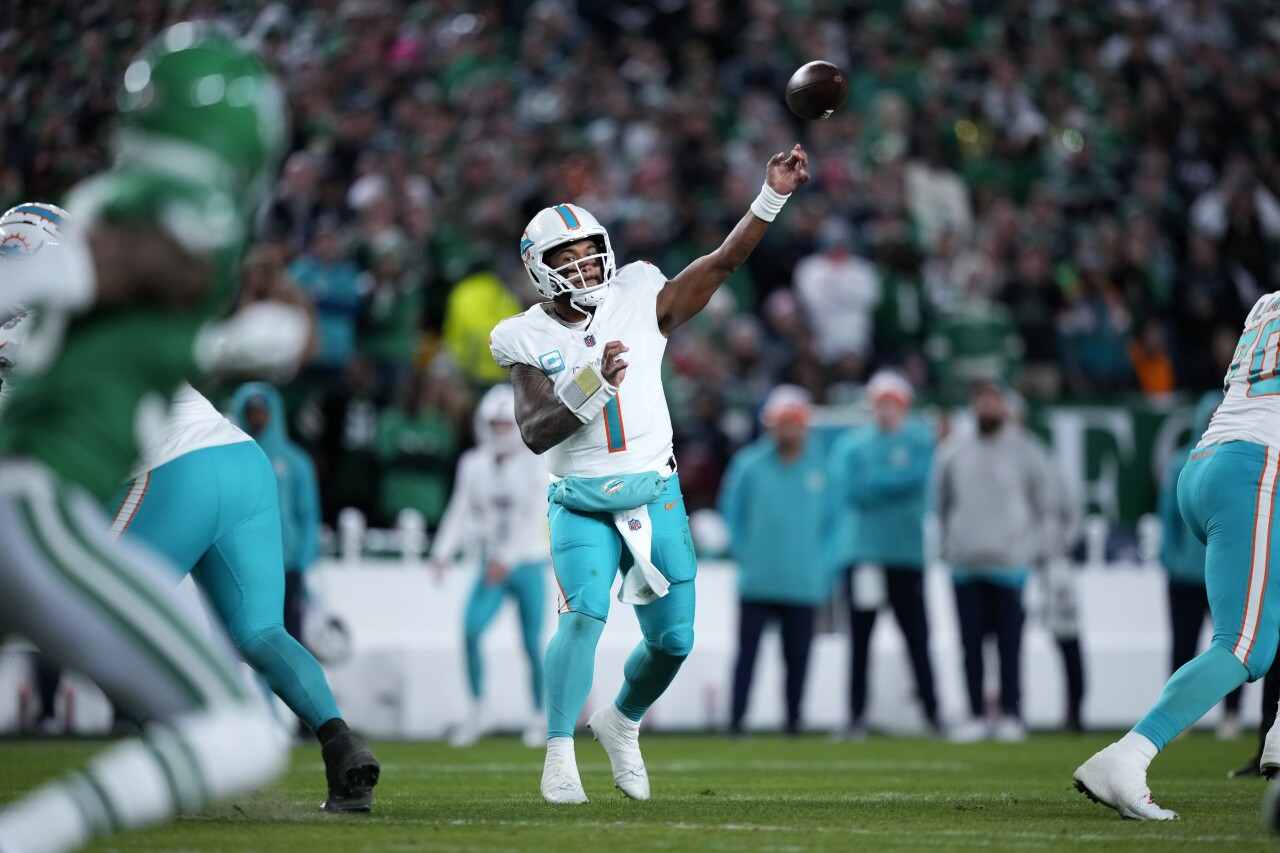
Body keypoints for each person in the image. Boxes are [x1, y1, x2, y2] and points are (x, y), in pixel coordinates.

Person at [0, 26, 304, 852]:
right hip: (32, 508)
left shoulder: (111, 204)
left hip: (30, 498)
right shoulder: (176, 209)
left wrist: (218, 346)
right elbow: (101, 266)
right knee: (240, 732)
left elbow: (112, 315)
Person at [489, 144, 810, 803]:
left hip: (653, 490)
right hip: (580, 499)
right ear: (540, 269)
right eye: (567, 257)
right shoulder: (523, 335)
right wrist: (592, 384)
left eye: (589, 252)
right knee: (583, 616)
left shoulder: (637, 294)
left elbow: (721, 263)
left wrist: (771, 195)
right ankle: (559, 753)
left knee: (674, 640)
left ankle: (621, 720)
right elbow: (534, 430)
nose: (584, 265)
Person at [1074, 289, 1280, 820]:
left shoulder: (1267, 302)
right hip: (1256, 468)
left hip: (1212, 459)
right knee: (1244, 646)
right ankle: (1128, 756)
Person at [934, 379, 1058, 743]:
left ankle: (1011, 714)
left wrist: (1034, 548)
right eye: (981, 401)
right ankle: (975, 714)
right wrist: (951, 544)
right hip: (966, 566)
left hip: (1010, 566)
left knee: (1009, 647)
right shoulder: (953, 451)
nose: (987, 407)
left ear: (1004, 405)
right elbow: (941, 503)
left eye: (993, 401)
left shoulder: (1026, 450)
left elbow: (1046, 503)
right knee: (970, 647)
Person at [429, 384, 551, 749]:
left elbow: (535, 517)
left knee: (531, 643)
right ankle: (479, 710)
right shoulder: (473, 464)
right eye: (493, 424)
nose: (499, 431)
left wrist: (506, 558)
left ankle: (539, 715)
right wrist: (442, 551)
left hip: (528, 563)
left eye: (504, 424)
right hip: (491, 563)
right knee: (471, 630)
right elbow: (459, 509)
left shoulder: (536, 462)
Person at [718, 384, 840, 737]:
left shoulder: (823, 468)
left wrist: (824, 566)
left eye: (794, 421)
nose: (789, 429)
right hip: (757, 579)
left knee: (799, 657)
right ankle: (736, 721)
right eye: (782, 421)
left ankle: (794, 722)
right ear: (770, 424)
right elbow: (731, 514)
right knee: (747, 655)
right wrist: (745, 553)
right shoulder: (748, 465)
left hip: (803, 580)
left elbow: (835, 524)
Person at [830, 370, 939, 739]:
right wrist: (893, 480)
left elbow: (913, 479)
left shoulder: (919, 440)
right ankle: (855, 715)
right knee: (860, 640)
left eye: (893, 404)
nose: (886, 411)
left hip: (905, 555)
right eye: (881, 404)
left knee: (917, 638)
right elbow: (851, 488)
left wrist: (875, 481)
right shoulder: (852, 445)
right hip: (864, 555)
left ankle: (933, 713)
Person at [1157, 390, 1244, 744]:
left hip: (1227, 571)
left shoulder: (1240, 463)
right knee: (1183, 645)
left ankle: (1232, 715)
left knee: (1231, 646)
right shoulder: (1182, 462)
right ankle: (1178, 717)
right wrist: (1172, 560)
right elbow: (1167, 517)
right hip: (1188, 575)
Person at [230, 383, 322, 647]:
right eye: (250, 411)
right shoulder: (232, 460)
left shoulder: (295, 461)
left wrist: (302, 562)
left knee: (290, 637)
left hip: (286, 564)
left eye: (262, 410)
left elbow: (308, 514)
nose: (257, 417)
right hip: (243, 565)